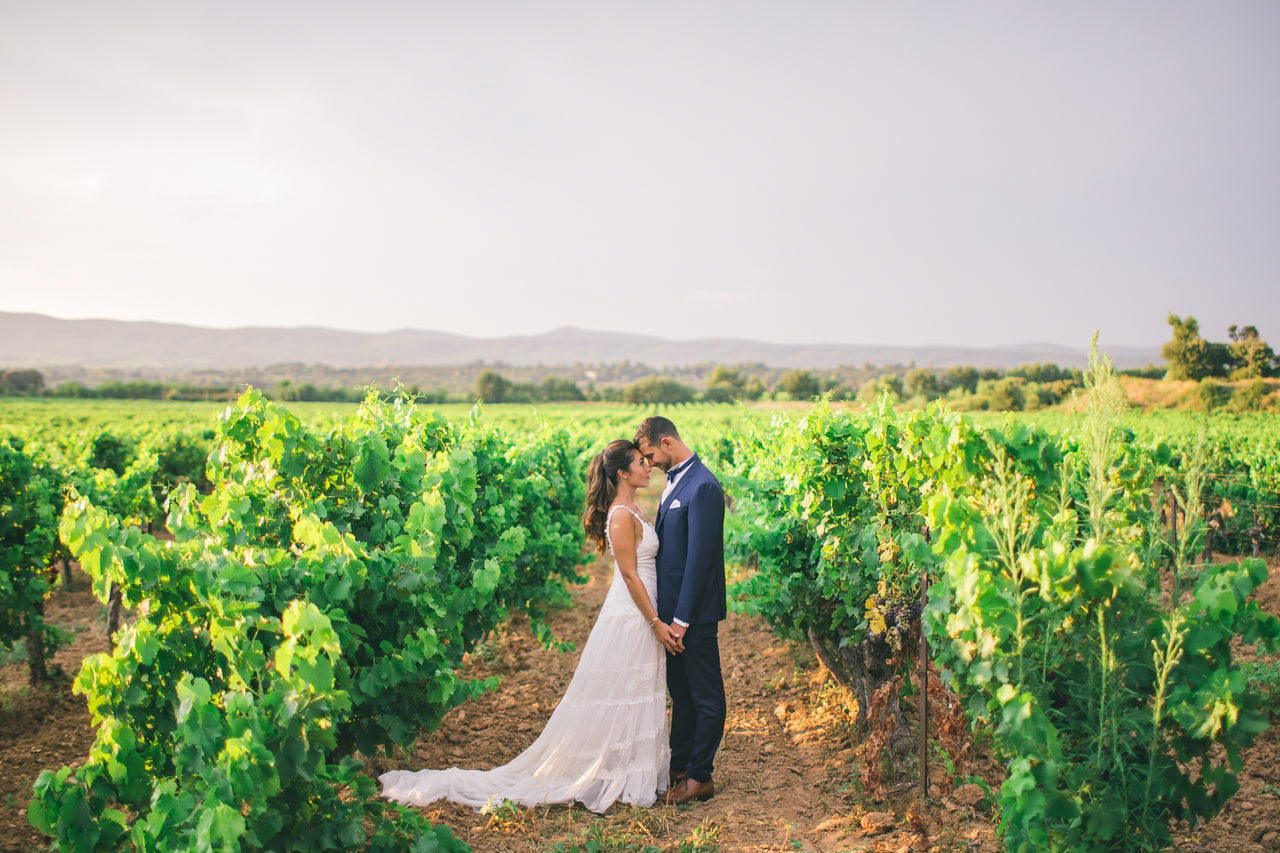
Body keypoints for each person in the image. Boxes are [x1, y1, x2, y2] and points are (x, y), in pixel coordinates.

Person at [379, 439, 678, 814]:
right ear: (622, 472)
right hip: (633, 614)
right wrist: (654, 622)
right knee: (621, 691)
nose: (647, 465)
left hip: (642, 609)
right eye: (639, 462)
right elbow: (631, 576)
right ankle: (613, 773)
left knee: (636, 689)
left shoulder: (633, 507)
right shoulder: (620, 515)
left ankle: (630, 770)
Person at [633, 416, 726, 805]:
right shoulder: (677, 481)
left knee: (706, 696)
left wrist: (682, 620)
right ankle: (681, 765)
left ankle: (700, 777)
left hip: (693, 616)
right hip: (672, 616)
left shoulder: (703, 486)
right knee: (682, 694)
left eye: (651, 454)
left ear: (667, 443)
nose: (649, 463)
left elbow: (700, 561)